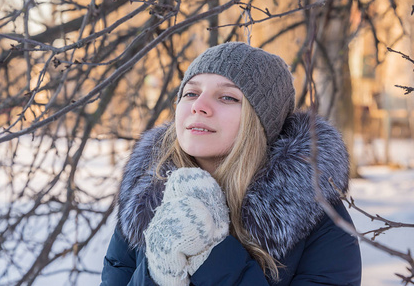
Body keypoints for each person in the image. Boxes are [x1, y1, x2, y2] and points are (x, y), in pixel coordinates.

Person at [101, 42, 362, 285]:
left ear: (261, 122)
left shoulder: (319, 220)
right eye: (191, 93)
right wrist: (159, 267)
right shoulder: (144, 203)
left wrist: (211, 253)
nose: (199, 106)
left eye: (227, 97)